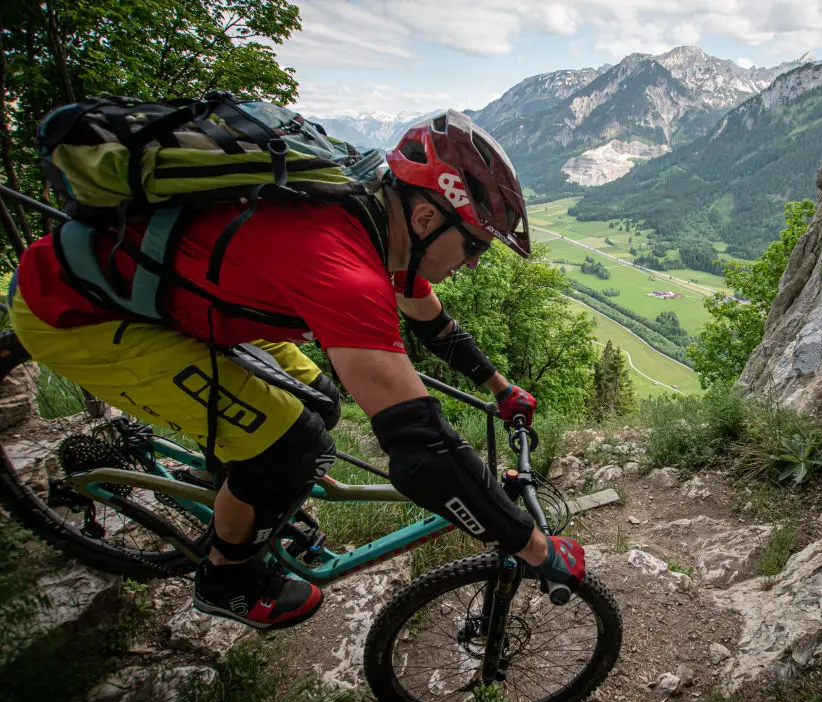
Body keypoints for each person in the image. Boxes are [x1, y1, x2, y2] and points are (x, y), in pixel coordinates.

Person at [9, 109, 586, 629]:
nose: (475, 263)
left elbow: (428, 319)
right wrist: (535, 547)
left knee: (320, 399)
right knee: (288, 443)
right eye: (477, 245)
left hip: (181, 300)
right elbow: (422, 453)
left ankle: (239, 491)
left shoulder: (371, 204)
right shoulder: (343, 267)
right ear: (430, 217)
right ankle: (225, 581)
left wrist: (501, 388)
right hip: (82, 313)